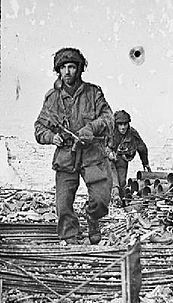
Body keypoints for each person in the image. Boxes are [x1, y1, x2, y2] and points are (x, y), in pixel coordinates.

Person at [34, 47, 114, 245]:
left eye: (72, 67)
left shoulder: (93, 93)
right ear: (58, 71)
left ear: (79, 69)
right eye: (63, 67)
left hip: (91, 152)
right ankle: (70, 238)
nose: (68, 71)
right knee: (63, 203)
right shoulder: (52, 98)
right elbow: (39, 128)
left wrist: (91, 128)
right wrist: (51, 137)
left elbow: (108, 119)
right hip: (66, 155)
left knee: (101, 199)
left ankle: (93, 218)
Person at [107, 110, 151, 201]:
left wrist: (145, 164)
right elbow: (99, 146)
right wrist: (108, 153)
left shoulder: (132, 134)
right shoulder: (108, 132)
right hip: (108, 160)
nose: (123, 127)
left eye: (125, 124)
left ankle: (120, 197)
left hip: (122, 159)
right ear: (116, 124)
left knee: (122, 183)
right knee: (114, 183)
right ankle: (115, 196)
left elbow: (142, 148)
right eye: (120, 124)